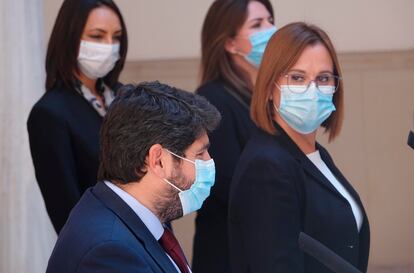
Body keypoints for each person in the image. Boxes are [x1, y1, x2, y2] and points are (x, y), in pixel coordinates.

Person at [228, 22, 370, 273]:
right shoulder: (267, 167)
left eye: (323, 78)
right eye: (297, 77)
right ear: (270, 87)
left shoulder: (314, 154)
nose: (312, 90)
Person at [46, 81, 221, 273]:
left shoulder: (135, 217)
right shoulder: (109, 252)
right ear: (158, 161)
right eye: (200, 154)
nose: (209, 161)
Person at [27, 0, 128, 233]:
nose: (109, 45)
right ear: (69, 38)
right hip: (103, 251)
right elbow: (66, 212)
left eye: (116, 37)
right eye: (97, 35)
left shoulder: (127, 96)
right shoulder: (50, 113)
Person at [192, 1, 276, 272]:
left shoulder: (268, 96)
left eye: (270, 20)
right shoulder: (213, 98)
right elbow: (230, 186)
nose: (271, 29)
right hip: (228, 256)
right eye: (257, 24)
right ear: (229, 43)